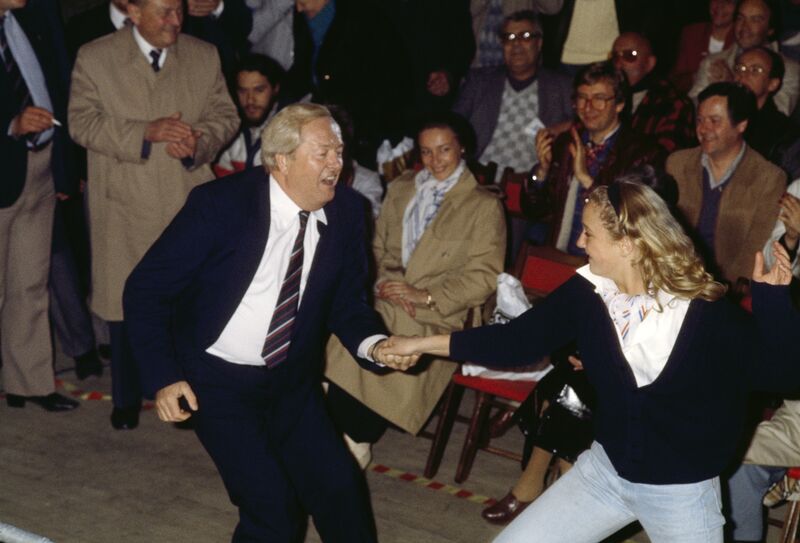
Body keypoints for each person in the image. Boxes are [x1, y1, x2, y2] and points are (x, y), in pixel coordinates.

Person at [382, 177, 800, 543]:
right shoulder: (589, 291)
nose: (579, 244)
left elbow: (786, 376)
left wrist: (774, 305)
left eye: (588, 234)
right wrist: (418, 344)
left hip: (681, 492)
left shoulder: (708, 316)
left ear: (629, 245)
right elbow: (515, 341)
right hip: (603, 474)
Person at [123, 103, 416, 542]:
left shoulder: (348, 214)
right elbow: (146, 288)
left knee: (341, 492)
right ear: (282, 159)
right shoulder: (221, 205)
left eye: (340, 152)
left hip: (291, 385)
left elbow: (346, 303)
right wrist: (165, 376)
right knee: (273, 512)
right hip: (217, 384)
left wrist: (374, 344)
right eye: (323, 153)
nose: (338, 164)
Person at [68, 0, 239, 430]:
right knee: (127, 303)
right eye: (163, 12)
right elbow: (80, 123)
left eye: (178, 11)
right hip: (124, 200)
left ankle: (189, 394)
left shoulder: (204, 55)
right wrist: (144, 132)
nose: (175, 21)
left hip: (186, 198)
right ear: (133, 12)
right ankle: (126, 400)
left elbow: (226, 115)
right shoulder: (95, 56)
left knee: (191, 304)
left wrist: (199, 142)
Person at [324, 112, 506, 463]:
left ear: (462, 149)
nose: (434, 161)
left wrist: (423, 295)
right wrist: (381, 284)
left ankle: (353, 438)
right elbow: (374, 249)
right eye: (426, 152)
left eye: (444, 150)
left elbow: (484, 277)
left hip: (443, 310)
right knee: (350, 318)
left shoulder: (484, 205)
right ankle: (341, 431)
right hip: (389, 293)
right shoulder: (403, 188)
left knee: (391, 331)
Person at [1, 0, 79, 411]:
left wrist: (64, 169)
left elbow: (58, 87)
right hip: (5, 161)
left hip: (40, 166)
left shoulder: (31, 17)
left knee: (30, 285)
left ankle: (28, 384)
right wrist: (11, 125)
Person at [523, 61, 665, 255]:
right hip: (559, 256)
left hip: (609, 264)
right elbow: (535, 211)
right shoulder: (566, 143)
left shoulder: (642, 153)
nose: (588, 107)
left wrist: (585, 178)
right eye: (582, 98)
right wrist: (541, 173)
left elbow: (631, 223)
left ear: (620, 104)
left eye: (599, 98)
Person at [667, 81, 785, 286]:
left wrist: (722, 290)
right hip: (676, 279)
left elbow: (755, 249)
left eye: (715, 121)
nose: (703, 129)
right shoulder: (677, 163)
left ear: (741, 125)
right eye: (700, 120)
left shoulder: (769, 177)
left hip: (732, 289)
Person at [454, 9, 573, 178]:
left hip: (530, 182)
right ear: (502, 45)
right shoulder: (479, 81)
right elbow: (452, 124)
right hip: (477, 177)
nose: (516, 44)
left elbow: (588, 122)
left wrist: (561, 128)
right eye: (508, 38)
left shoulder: (561, 86)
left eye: (524, 36)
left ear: (538, 43)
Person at [689, 0, 800, 116]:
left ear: (770, 29)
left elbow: (775, 121)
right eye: (740, 18)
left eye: (755, 20)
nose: (745, 27)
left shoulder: (789, 70)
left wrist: (732, 86)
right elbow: (692, 111)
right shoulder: (713, 62)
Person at [610, 31, 696, 154]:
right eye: (615, 56)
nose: (618, 64)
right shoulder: (605, 97)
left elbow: (667, 156)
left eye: (630, 55)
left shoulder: (673, 103)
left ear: (649, 63)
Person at [213, 53, 285, 178]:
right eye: (243, 91)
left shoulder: (294, 131)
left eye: (259, 90)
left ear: (275, 88)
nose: (250, 100)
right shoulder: (230, 130)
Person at [734, 45, 800, 178]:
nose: (743, 75)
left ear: (773, 84)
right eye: (740, 68)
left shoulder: (785, 132)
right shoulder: (720, 119)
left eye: (755, 70)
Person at [671, 0, 736, 93]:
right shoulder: (691, 33)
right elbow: (675, 81)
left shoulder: (741, 40)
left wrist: (730, 81)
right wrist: (699, 75)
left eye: (728, 1)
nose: (720, 5)